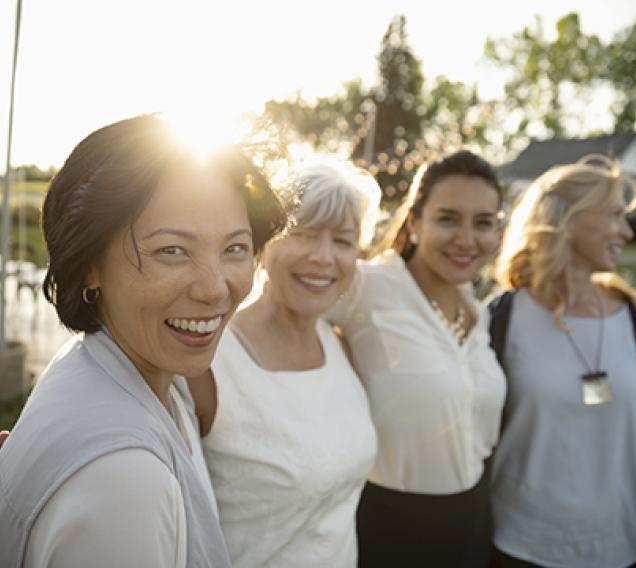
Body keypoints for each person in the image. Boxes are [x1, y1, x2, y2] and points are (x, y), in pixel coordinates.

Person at [0, 114, 285, 568]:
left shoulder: (104, 369)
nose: (214, 288)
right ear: (90, 264)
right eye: (171, 250)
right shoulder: (124, 480)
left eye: (234, 248)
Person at [186, 158, 380, 567]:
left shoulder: (341, 349)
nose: (324, 257)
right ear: (263, 242)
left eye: (343, 241)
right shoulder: (209, 361)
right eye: (304, 234)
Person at [327, 150, 507, 567]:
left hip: (472, 523)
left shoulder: (478, 312)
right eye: (448, 218)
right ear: (415, 222)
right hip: (390, 526)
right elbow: (276, 312)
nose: (466, 239)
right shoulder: (366, 288)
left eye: (483, 223)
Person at [488, 155, 636, 568]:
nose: (626, 231)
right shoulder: (502, 318)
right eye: (615, 216)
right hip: (519, 546)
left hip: (620, 545)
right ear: (568, 220)